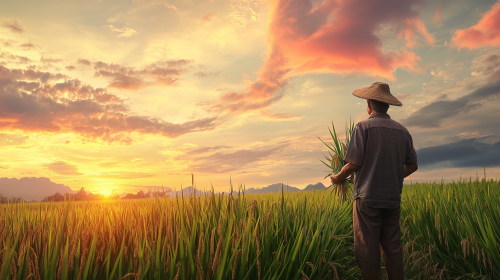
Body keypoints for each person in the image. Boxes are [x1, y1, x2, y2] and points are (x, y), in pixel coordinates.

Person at [330, 82, 418, 280]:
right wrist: (393, 175)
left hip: (367, 199)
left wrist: (337, 178)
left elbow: (353, 164)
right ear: (387, 106)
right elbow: (412, 165)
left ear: (369, 104)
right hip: (392, 198)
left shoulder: (363, 127)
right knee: (393, 248)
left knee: (367, 249)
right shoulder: (403, 131)